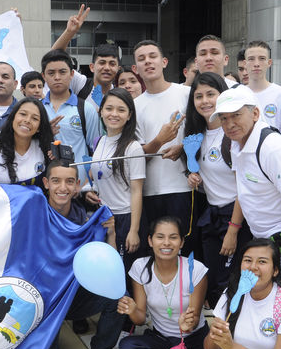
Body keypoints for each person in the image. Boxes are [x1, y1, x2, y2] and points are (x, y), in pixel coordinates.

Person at [211, 85, 281, 332]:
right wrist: (233, 230)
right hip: (263, 240)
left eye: (236, 115)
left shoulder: (272, 148)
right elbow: (244, 191)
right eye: (224, 118)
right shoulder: (236, 144)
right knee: (268, 299)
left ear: (255, 113)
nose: (229, 124)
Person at [29, 161, 125, 349]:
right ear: (46, 183)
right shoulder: (32, 212)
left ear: (77, 185)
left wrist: (110, 235)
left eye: (69, 181)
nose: (63, 187)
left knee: (118, 296)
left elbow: (108, 270)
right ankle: (45, 339)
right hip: (40, 304)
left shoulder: (85, 220)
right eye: (56, 181)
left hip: (70, 299)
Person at [118, 216, 231, 349]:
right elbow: (140, 319)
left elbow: (192, 322)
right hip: (161, 340)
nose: (166, 243)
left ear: (182, 242)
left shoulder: (195, 269)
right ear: (150, 240)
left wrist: (187, 324)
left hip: (194, 341)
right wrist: (132, 310)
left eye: (173, 237)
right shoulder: (140, 268)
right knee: (127, 347)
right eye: (160, 237)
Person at [184, 72, 251, 307]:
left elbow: (243, 187)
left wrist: (233, 231)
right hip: (212, 216)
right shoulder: (197, 133)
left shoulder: (231, 134)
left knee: (232, 284)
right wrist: (194, 177)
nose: (204, 101)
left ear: (223, 95)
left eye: (211, 94)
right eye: (198, 96)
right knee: (213, 283)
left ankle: (235, 340)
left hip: (236, 218)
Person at [131, 40, 194, 254]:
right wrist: (160, 140)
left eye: (152, 56)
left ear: (164, 62)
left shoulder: (186, 94)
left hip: (184, 188)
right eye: (141, 59)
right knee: (156, 253)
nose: (148, 61)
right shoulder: (135, 106)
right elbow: (136, 156)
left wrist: (183, 148)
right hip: (150, 192)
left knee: (184, 251)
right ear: (135, 68)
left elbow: (204, 135)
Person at [86, 88, 144, 279]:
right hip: (102, 216)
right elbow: (98, 177)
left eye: (121, 110)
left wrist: (133, 230)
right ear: (101, 111)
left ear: (129, 116)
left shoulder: (133, 147)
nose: (114, 114)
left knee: (122, 272)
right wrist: (90, 191)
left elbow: (137, 191)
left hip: (124, 218)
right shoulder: (100, 141)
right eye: (109, 108)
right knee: (106, 270)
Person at [41, 49, 102, 183]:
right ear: (44, 76)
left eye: (62, 72)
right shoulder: (36, 110)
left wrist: (87, 185)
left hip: (78, 186)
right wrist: (44, 133)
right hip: (45, 185)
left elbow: (97, 151)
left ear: (72, 74)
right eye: (51, 73)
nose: (57, 77)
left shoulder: (86, 109)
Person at [50, 5, 120, 110]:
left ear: (118, 69)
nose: (107, 67)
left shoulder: (120, 95)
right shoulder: (81, 84)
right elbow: (54, 58)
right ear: (92, 67)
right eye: (102, 62)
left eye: (112, 64)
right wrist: (70, 32)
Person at [0, 97, 53, 185]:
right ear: (13, 117)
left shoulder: (45, 149)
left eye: (35, 119)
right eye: (23, 114)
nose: (27, 120)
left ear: (39, 127)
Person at [245, 40, 281, 137]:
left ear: (269, 63)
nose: (256, 64)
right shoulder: (237, 94)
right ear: (245, 63)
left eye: (262, 58)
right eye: (251, 59)